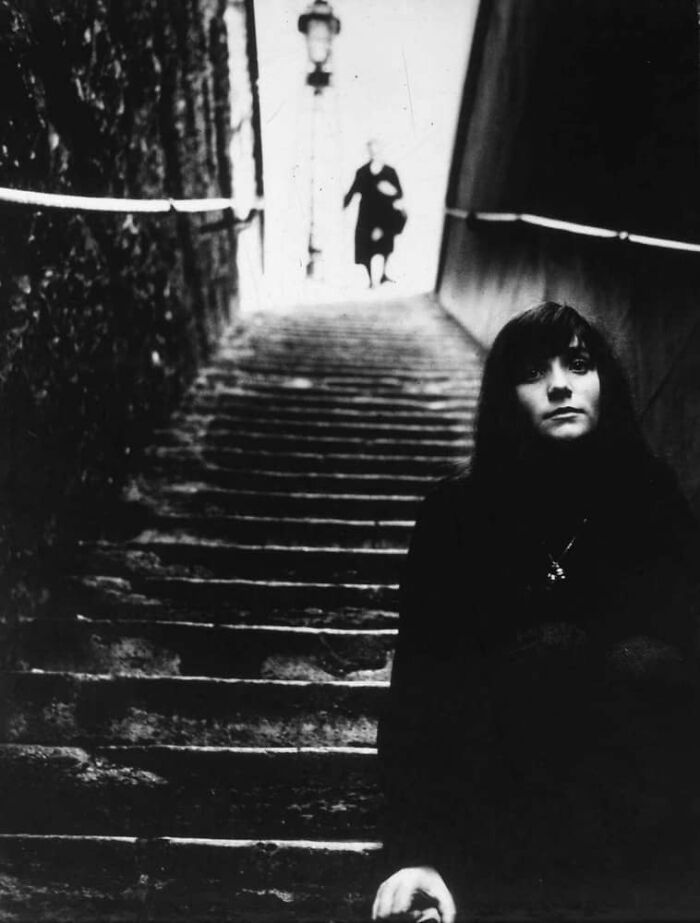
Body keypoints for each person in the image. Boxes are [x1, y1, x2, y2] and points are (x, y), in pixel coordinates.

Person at [372, 302, 700, 922]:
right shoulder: (455, 515)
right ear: (504, 400)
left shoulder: (652, 500)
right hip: (504, 815)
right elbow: (421, 691)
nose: (559, 384)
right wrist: (416, 852)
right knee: (549, 652)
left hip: (637, 817)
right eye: (532, 372)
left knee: (644, 663)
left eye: (578, 364)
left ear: (606, 382)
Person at [343, 139, 404, 288]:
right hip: (367, 216)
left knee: (386, 245)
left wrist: (389, 189)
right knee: (366, 247)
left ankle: (383, 274)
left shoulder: (390, 172)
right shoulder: (362, 172)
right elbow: (353, 191)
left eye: (376, 150)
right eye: (371, 151)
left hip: (385, 215)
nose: (374, 154)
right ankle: (371, 280)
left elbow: (399, 193)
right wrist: (343, 204)